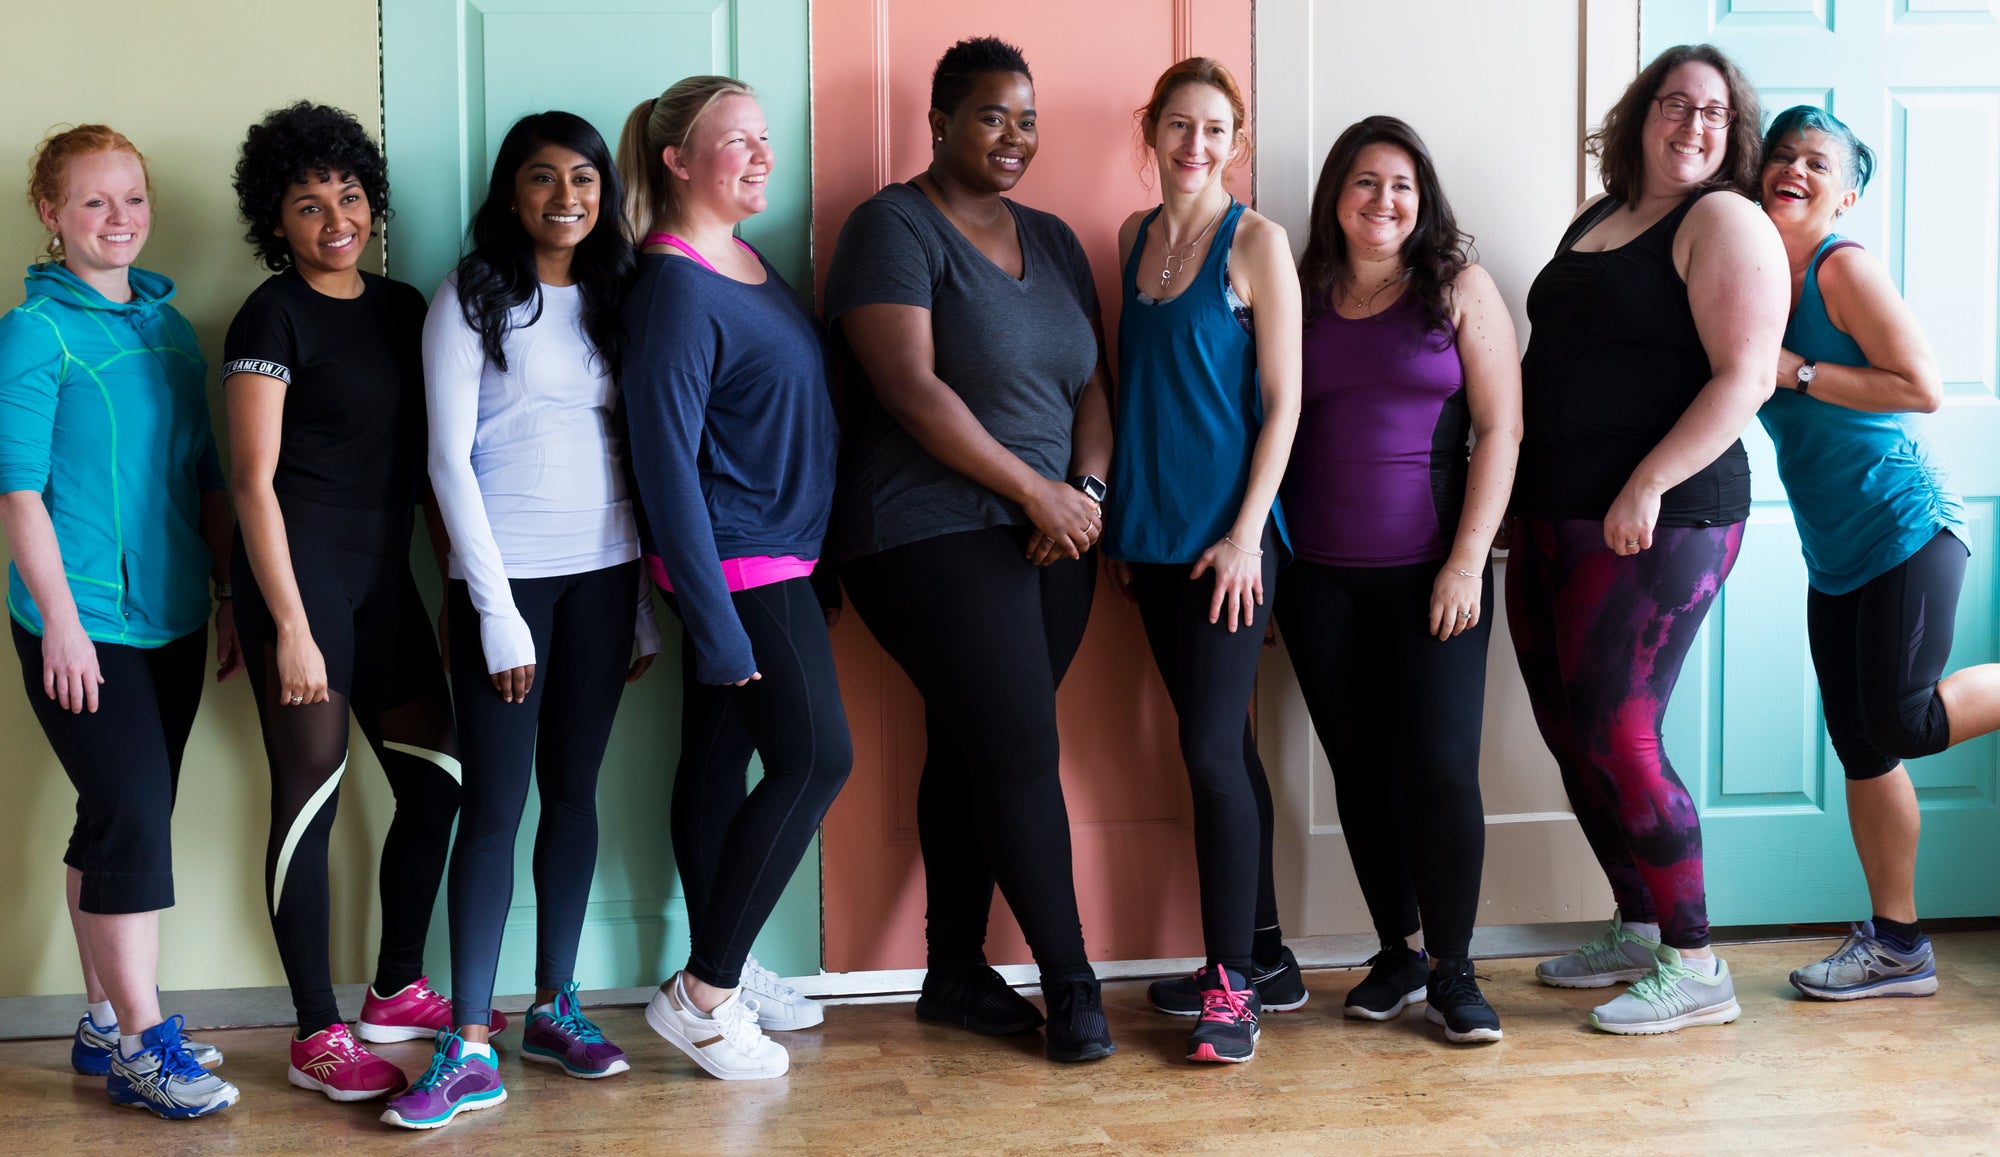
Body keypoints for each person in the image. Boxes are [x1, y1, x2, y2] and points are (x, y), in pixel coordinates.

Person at [824, 35, 1117, 1064]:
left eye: (1025, 118)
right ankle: (1074, 985)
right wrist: (1033, 489)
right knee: (1019, 745)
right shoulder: (890, 227)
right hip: (923, 527)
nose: (1012, 136)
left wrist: (1079, 493)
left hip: (1053, 533)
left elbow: (1091, 383)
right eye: (991, 115)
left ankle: (952, 968)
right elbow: (909, 389)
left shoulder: (1054, 239)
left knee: (975, 742)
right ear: (939, 122)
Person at [378, 112, 662, 1130]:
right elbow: (445, 461)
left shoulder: (622, 293)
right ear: (510, 194)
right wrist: (493, 612)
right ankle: (466, 1040)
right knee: (494, 806)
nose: (565, 197)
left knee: (573, 790)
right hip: (507, 584)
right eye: (541, 179)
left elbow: (637, 450)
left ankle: (555, 1004)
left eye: (583, 178)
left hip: (604, 575)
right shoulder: (472, 295)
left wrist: (635, 604)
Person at [1510, 44, 1788, 1034]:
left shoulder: (1721, 219)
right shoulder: (1596, 218)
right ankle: (1636, 922)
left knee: (1619, 729)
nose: (1692, 126)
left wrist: (1645, 481)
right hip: (1552, 512)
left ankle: (1695, 961)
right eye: (1674, 104)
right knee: (1563, 727)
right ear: (1639, 115)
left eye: (1712, 113)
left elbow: (1743, 375)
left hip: (1664, 517)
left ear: (1729, 135)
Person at [224, 101, 486, 1101]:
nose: (334, 216)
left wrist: (460, 587)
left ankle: (396, 984)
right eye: (305, 202)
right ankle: (315, 1032)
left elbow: (430, 466)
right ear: (274, 221)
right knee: (310, 799)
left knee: (439, 779)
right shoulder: (269, 315)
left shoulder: (405, 306)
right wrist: (288, 626)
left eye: (347, 193)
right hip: (299, 586)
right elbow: (252, 482)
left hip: (386, 586)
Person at [0, 124, 240, 1119]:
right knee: (135, 819)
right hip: (81, 617)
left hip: (175, 615)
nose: (118, 220)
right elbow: (17, 492)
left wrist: (224, 594)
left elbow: (200, 476)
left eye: (131, 199)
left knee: (115, 817)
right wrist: (57, 619)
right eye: (94, 202)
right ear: (50, 215)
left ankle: (100, 1021)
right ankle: (147, 1042)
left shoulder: (167, 326)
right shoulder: (32, 330)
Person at [616, 75, 850, 1082]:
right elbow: (662, 461)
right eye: (734, 141)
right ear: (675, 159)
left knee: (715, 761)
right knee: (813, 760)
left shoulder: (745, 258)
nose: (760, 155)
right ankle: (701, 995)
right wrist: (712, 622)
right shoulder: (670, 285)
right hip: (736, 562)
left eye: (764, 138)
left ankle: (730, 960)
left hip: (780, 552)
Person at [1277, 116, 1522, 1044]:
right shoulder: (1298, 297)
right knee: (1361, 772)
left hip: (1435, 577)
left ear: (1424, 203)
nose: (1384, 202)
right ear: (1336, 197)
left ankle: (1456, 970)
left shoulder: (1459, 289)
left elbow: (1501, 430)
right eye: (1366, 183)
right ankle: (1399, 951)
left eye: (1402, 186)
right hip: (1319, 583)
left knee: (1440, 769)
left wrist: (1468, 560)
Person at [1753, 105, 2000, 1000]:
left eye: (1818, 162)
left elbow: (1921, 386)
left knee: (1899, 721)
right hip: (1837, 548)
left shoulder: (1839, 267)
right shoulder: (1750, 278)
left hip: (1907, 522)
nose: (1795, 169)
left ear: (1846, 193)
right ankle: (1898, 946)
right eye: (1781, 155)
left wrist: (1796, 370)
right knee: (1861, 744)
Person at [1102, 58, 1301, 1065]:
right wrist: (1128, 526)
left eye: (1214, 128)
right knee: (1218, 744)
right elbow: (1138, 393)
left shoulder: (1255, 243)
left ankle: (1231, 986)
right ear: (1152, 130)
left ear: (1235, 142)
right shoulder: (1135, 241)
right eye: (1178, 125)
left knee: (1208, 755)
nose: (1194, 143)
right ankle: (1263, 952)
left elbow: (1283, 405)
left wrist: (1244, 535)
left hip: (1228, 548)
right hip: (1149, 539)